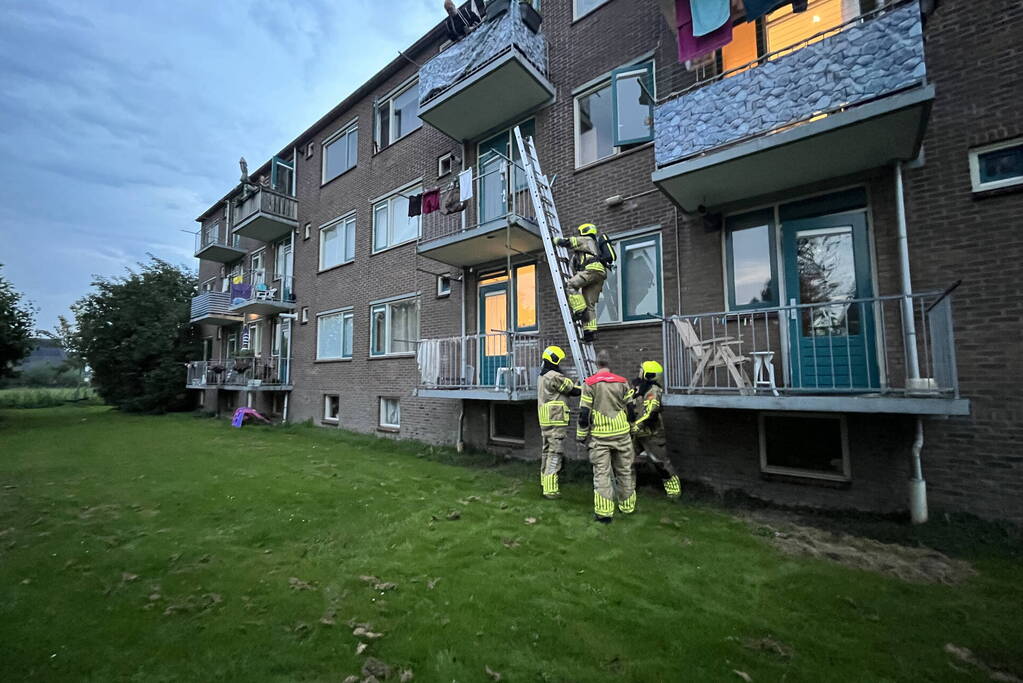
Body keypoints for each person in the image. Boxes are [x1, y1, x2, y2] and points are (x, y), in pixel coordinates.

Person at [577, 351, 636, 523]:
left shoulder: (589, 384)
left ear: (597, 364)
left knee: (601, 474)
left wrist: (581, 435)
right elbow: (631, 409)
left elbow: (584, 414)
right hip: (622, 433)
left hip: (601, 436)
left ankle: (604, 513)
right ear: (609, 364)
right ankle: (628, 507)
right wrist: (631, 428)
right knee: (625, 470)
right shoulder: (622, 382)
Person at [630, 361, 681, 498]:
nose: (639, 372)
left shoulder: (653, 391)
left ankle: (673, 492)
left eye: (641, 370)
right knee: (625, 459)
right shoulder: (637, 388)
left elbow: (651, 412)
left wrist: (637, 425)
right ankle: (628, 490)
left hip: (652, 434)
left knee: (660, 463)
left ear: (648, 374)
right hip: (636, 434)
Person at [537, 345, 581, 499]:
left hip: (546, 418)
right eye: (558, 360)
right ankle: (550, 489)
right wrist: (587, 387)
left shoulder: (543, 375)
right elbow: (573, 390)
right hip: (556, 418)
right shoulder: (554, 376)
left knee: (547, 450)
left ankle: (544, 481)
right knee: (555, 452)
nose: (559, 364)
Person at [556, 223, 607, 343]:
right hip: (600, 274)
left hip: (591, 270)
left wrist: (555, 240)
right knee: (590, 304)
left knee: (570, 285)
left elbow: (569, 242)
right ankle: (590, 332)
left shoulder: (585, 239)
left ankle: (580, 311)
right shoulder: (595, 245)